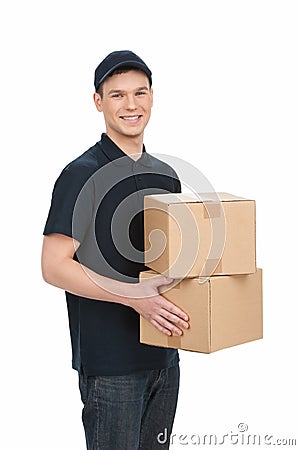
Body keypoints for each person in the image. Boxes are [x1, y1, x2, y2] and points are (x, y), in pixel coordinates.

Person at [41, 50, 190, 450]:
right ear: (98, 102)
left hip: (165, 358)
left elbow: (168, 260)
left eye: (139, 93)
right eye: (117, 95)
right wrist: (132, 295)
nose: (131, 105)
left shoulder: (166, 175)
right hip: (111, 367)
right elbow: (54, 267)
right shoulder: (82, 174)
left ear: (152, 97)